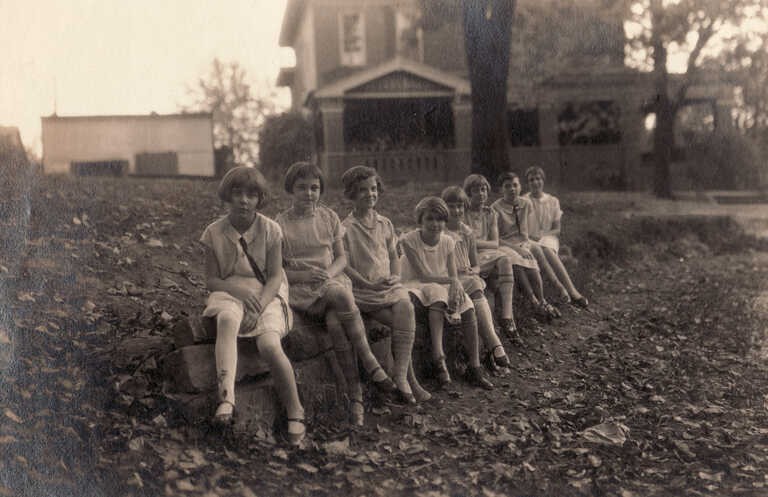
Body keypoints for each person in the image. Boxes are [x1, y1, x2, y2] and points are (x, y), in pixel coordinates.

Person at [276, 161, 396, 426]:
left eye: (314, 188)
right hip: (302, 289)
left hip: (331, 279)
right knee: (341, 297)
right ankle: (370, 362)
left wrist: (329, 272)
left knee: (334, 321)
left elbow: (342, 258)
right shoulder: (280, 224)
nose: (309, 193)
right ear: (290, 190)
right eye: (302, 188)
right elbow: (277, 271)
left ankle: (355, 397)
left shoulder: (328, 217)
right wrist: (305, 276)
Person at [199, 166, 305, 445]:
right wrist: (235, 291)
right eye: (237, 193)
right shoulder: (213, 232)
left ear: (260, 199)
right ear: (228, 196)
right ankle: (227, 398)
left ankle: (295, 410)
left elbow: (274, 277)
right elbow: (211, 280)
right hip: (229, 290)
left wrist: (257, 307)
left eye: (251, 194)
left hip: (266, 293)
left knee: (268, 344)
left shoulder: (271, 229)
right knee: (227, 320)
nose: (243, 200)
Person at [340, 166, 431, 403]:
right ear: (351, 194)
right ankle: (409, 381)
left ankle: (401, 377)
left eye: (373, 189)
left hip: (387, 287)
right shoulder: (346, 228)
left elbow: (392, 255)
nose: (370, 194)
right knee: (403, 327)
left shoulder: (385, 223)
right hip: (363, 291)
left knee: (406, 306)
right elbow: (344, 265)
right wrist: (367, 284)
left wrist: (395, 275)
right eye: (362, 191)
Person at [400, 196, 494, 390]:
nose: (436, 224)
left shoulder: (448, 241)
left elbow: (452, 274)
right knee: (438, 295)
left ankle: (474, 366)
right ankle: (438, 358)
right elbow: (423, 275)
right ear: (420, 220)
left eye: (440, 219)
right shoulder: (409, 240)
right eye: (430, 219)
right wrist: (452, 282)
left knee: (467, 304)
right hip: (415, 284)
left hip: (440, 282)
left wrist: (456, 286)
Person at [441, 186, 511, 369]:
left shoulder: (467, 232)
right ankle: (495, 344)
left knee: (477, 287)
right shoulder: (440, 231)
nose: (456, 211)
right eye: (451, 206)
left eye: (459, 206)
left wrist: (475, 270)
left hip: (466, 277)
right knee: (476, 289)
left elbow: (475, 263)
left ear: (464, 208)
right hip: (447, 278)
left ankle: (491, 347)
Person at [462, 173, 531, 341]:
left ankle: (508, 317)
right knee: (491, 286)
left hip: (487, 255)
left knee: (504, 259)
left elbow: (495, 243)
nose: (481, 193)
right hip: (468, 257)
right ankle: (493, 334)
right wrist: (479, 244)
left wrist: (477, 242)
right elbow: (465, 243)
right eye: (476, 190)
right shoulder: (464, 212)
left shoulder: (491, 213)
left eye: (484, 189)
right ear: (468, 193)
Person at [491, 172, 560, 321]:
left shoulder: (525, 203)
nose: (512, 189)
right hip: (504, 243)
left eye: (515, 185)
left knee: (533, 264)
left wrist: (525, 244)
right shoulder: (495, 208)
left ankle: (542, 301)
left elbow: (525, 232)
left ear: (520, 187)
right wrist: (518, 249)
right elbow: (496, 239)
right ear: (501, 189)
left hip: (522, 241)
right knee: (517, 262)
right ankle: (533, 301)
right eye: (507, 186)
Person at [523, 166, 588, 308]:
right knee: (541, 249)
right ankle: (567, 290)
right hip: (529, 239)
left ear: (543, 181)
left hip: (548, 237)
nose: (535, 183)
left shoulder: (553, 201)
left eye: (538, 179)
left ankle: (572, 291)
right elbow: (520, 227)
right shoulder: (523, 201)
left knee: (546, 248)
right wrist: (531, 236)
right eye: (531, 180)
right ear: (527, 183)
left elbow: (557, 229)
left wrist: (543, 235)